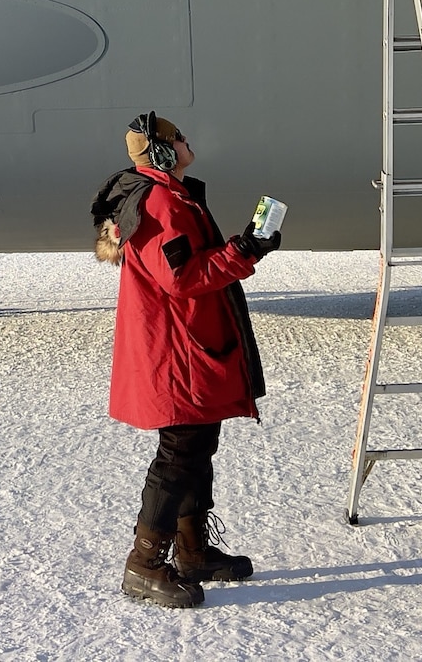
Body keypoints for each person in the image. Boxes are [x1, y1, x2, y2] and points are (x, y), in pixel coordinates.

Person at [90, 113, 281, 609]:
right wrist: (243, 251)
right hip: (177, 353)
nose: (187, 142)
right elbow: (181, 277)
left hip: (188, 345)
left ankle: (192, 551)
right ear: (161, 151)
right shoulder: (159, 202)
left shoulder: (170, 196)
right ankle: (145, 564)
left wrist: (244, 247)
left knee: (197, 445)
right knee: (179, 453)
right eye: (178, 138)